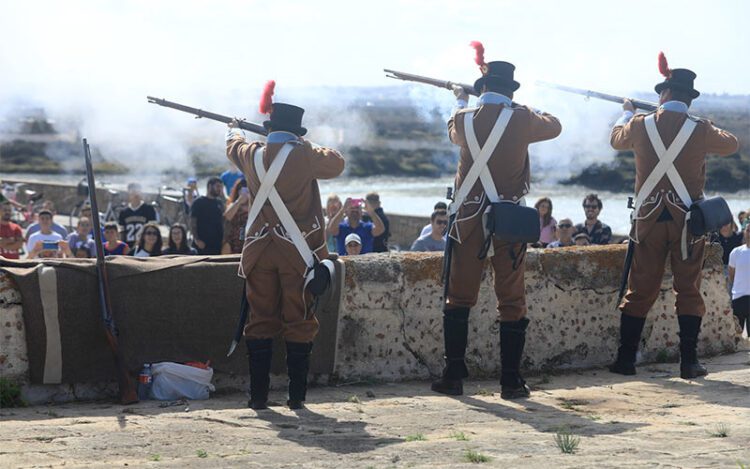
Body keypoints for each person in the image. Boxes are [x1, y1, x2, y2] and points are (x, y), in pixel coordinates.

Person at [431, 44, 561, 400]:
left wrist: (460, 99)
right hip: (508, 220)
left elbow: (453, 128)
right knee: (512, 301)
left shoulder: (464, 117)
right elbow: (555, 125)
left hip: (468, 220)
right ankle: (511, 381)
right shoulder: (523, 117)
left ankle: (453, 374)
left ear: (482, 88)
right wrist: (525, 110)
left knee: (458, 299)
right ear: (510, 90)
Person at [608, 52, 739, 380]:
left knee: (639, 290)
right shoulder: (700, 128)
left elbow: (615, 139)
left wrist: (625, 113)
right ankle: (689, 362)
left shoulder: (639, 124)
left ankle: (625, 360)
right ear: (688, 99)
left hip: (649, 220)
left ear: (663, 95)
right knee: (688, 290)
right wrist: (704, 125)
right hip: (687, 223)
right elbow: (732, 143)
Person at [226, 81, 344, 410]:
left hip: (260, 251)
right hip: (297, 253)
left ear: (270, 128)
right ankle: (296, 397)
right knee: (300, 321)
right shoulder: (305, 155)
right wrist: (306, 143)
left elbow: (232, 145)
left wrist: (233, 129)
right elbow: (337, 162)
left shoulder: (251, 154)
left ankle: (259, 397)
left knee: (260, 320)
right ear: (296, 132)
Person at [190, 177, 225, 255]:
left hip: (216, 244)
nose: (220, 189)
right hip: (202, 244)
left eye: (221, 187)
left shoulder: (219, 203)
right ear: (209, 186)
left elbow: (223, 221)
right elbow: (193, 222)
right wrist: (197, 239)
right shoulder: (198, 202)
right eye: (218, 186)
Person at [118, 182, 158, 249]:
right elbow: (122, 233)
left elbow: (154, 230)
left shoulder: (149, 209)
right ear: (129, 194)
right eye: (133, 192)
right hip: (128, 248)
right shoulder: (124, 212)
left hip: (145, 247)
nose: (135, 194)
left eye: (137, 191)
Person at [728, 223, 750, 335]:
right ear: (744, 232)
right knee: (737, 335)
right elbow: (731, 275)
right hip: (738, 298)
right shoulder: (736, 252)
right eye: (748, 230)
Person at [221, 179, 249, 254]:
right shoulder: (233, 204)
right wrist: (239, 201)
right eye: (243, 190)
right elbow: (227, 217)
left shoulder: (255, 206)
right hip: (233, 241)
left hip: (249, 240)